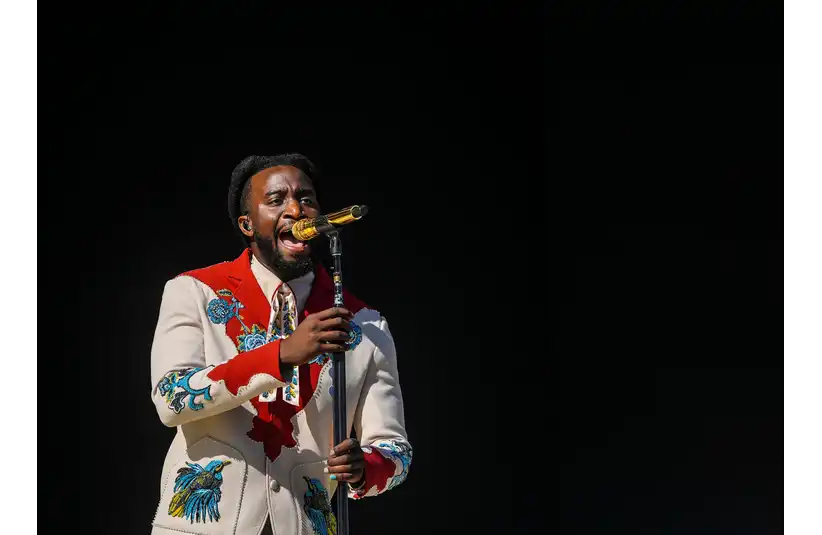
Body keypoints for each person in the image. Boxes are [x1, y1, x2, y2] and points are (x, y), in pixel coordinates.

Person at [148, 153, 412, 535]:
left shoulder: (365, 325)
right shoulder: (195, 292)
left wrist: (365, 466)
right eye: (276, 201)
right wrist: (280, 356)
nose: (296, 209)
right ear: (248, 224)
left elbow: (395, 450)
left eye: (306, 199)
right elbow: (171, 399)